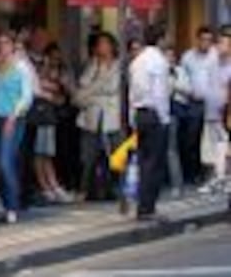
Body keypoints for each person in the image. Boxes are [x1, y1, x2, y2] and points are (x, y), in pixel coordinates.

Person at [0, 31, 33, 224]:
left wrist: (14, 116)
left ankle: (12, 206)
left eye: (6, 42)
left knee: (6, 162)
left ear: (13, 45)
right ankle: (6, 205)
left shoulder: (21, 66)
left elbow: (27, 95)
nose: (2, 46)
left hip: (12, 118)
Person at [75, 32, 123, 202]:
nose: (101, 47)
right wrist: (96, 90)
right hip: (92, 117)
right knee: (89, 156)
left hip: (113, 116)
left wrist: (93, 92)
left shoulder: (119, 67)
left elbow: (113, 89)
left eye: (105, 43)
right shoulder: (91, 66)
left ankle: (114, 188)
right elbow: (80, 93)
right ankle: (87, 189)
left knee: (116, 154)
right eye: (99, 44)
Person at [129, 24, 171, 220]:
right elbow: (160, 94)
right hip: (154, 114)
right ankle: (148, 207)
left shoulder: (137, 61)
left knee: (144, 161)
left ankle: (143, 206)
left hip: (139, 113)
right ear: (161, 38)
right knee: (154, 162)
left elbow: (132, 92)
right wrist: (164, 118)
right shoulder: (159, 62)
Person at [30, 44, 71, 204]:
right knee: (40, 153)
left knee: (47, 152)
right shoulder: (37, 75)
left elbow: (60, 92)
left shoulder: (57, 74)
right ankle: (47, 186)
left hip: (48, 115)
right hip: (40, 115)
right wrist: (50, 91)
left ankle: (52, 186)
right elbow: (40, 88)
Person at [179, 26, 216, 185]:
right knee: (192, 139)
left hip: (212, 104)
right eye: (203, 40)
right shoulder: (188, 57)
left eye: (209, 40)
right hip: (193, 103)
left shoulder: (216, 56)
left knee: (210, 140)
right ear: (197, 40)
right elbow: (181, 78)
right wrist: (189, 92)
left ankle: (209, 173)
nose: (205, 43)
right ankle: (192, 173)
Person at [199, 26, 231, 193]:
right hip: (211, 112)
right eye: (219, 43)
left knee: (225, 148)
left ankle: (225, 179)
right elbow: (204, 82)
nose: (221, 47)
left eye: (225, 44)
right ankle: (218, 179)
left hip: (226, 115)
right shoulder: (213, 61)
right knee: (212, 150)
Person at [167, 45, 190, 196]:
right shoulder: (159, 71)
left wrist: (174, 83)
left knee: (171, 150)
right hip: (160, 113)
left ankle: (177, 184)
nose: (169, 59)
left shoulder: (179, 71)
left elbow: (188, 89)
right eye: (166, 56)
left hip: (174, 113)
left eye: (171, 56)